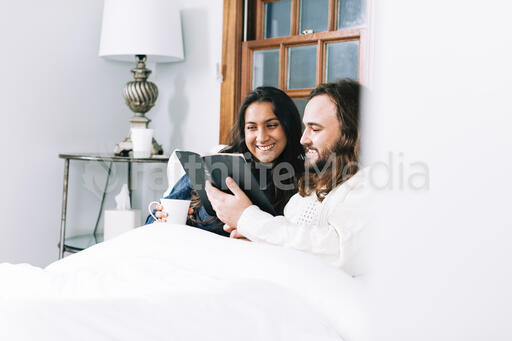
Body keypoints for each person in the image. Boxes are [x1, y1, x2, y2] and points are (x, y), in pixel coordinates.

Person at [205, 79, 372, 275]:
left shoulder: (371, 182)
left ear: (351, 133)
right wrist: (258, 241)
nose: (303, 139)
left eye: (315, 129)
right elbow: (290, 241)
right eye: (305, 128)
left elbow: (339, 251)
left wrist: (247, 218)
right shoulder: (312, 187)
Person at [145, 86, 305, 236]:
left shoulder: (303, 179)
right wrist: (165, 218)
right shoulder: (218, 162)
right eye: (251, 127)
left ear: (288, 126)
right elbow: (150, 223)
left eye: (271, 125)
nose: (261, 138)